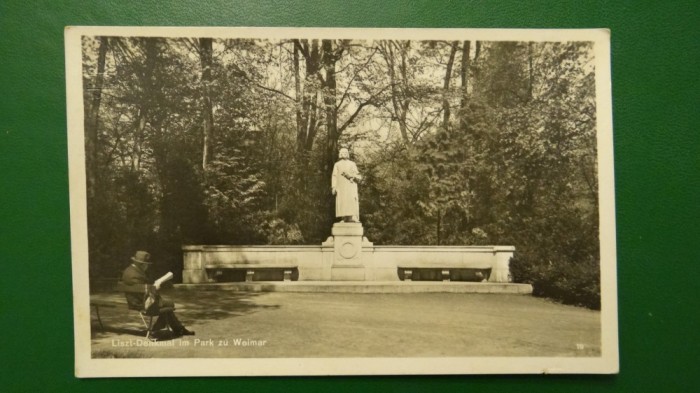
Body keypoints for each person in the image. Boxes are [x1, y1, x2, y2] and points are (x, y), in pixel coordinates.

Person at [121, 251, 194, 337]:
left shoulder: (129, 270)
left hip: (136, 300)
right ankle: (158, 328)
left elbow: (141, 290)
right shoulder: (135, 275)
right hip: (140, 303)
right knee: (170, 304)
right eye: (147, 264)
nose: (147, 267)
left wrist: (153, 288)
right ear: (142, 264)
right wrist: (155, 288)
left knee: (166, 306)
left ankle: (178, 329)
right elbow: (143, 294)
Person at [331, 148, 362, 222]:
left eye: (345, 152)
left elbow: (358, 175)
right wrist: (334, 187)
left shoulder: (352, 163)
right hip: (341, 186)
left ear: (347, 153)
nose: (344, 153)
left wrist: (351, 176)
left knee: (351, 200)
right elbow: (334, 176)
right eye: (342, 152)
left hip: (350, 186)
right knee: (342, 200)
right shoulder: (337, 164)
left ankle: (352, 216)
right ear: (340, 154)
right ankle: (344, 217)